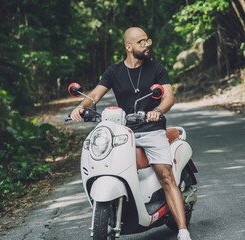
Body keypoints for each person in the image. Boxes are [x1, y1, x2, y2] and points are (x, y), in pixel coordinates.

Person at [70, 27, 192, 240]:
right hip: (125, 132)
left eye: (148, 41)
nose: (147, 46)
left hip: (152, 129)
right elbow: (95, 94)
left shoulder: (156, 68)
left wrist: (157, 111)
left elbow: (169, 97)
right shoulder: (114, 71)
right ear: (129, 47)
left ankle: (182, 230)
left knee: (165, 176)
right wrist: (81, 107)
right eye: (142, 42)